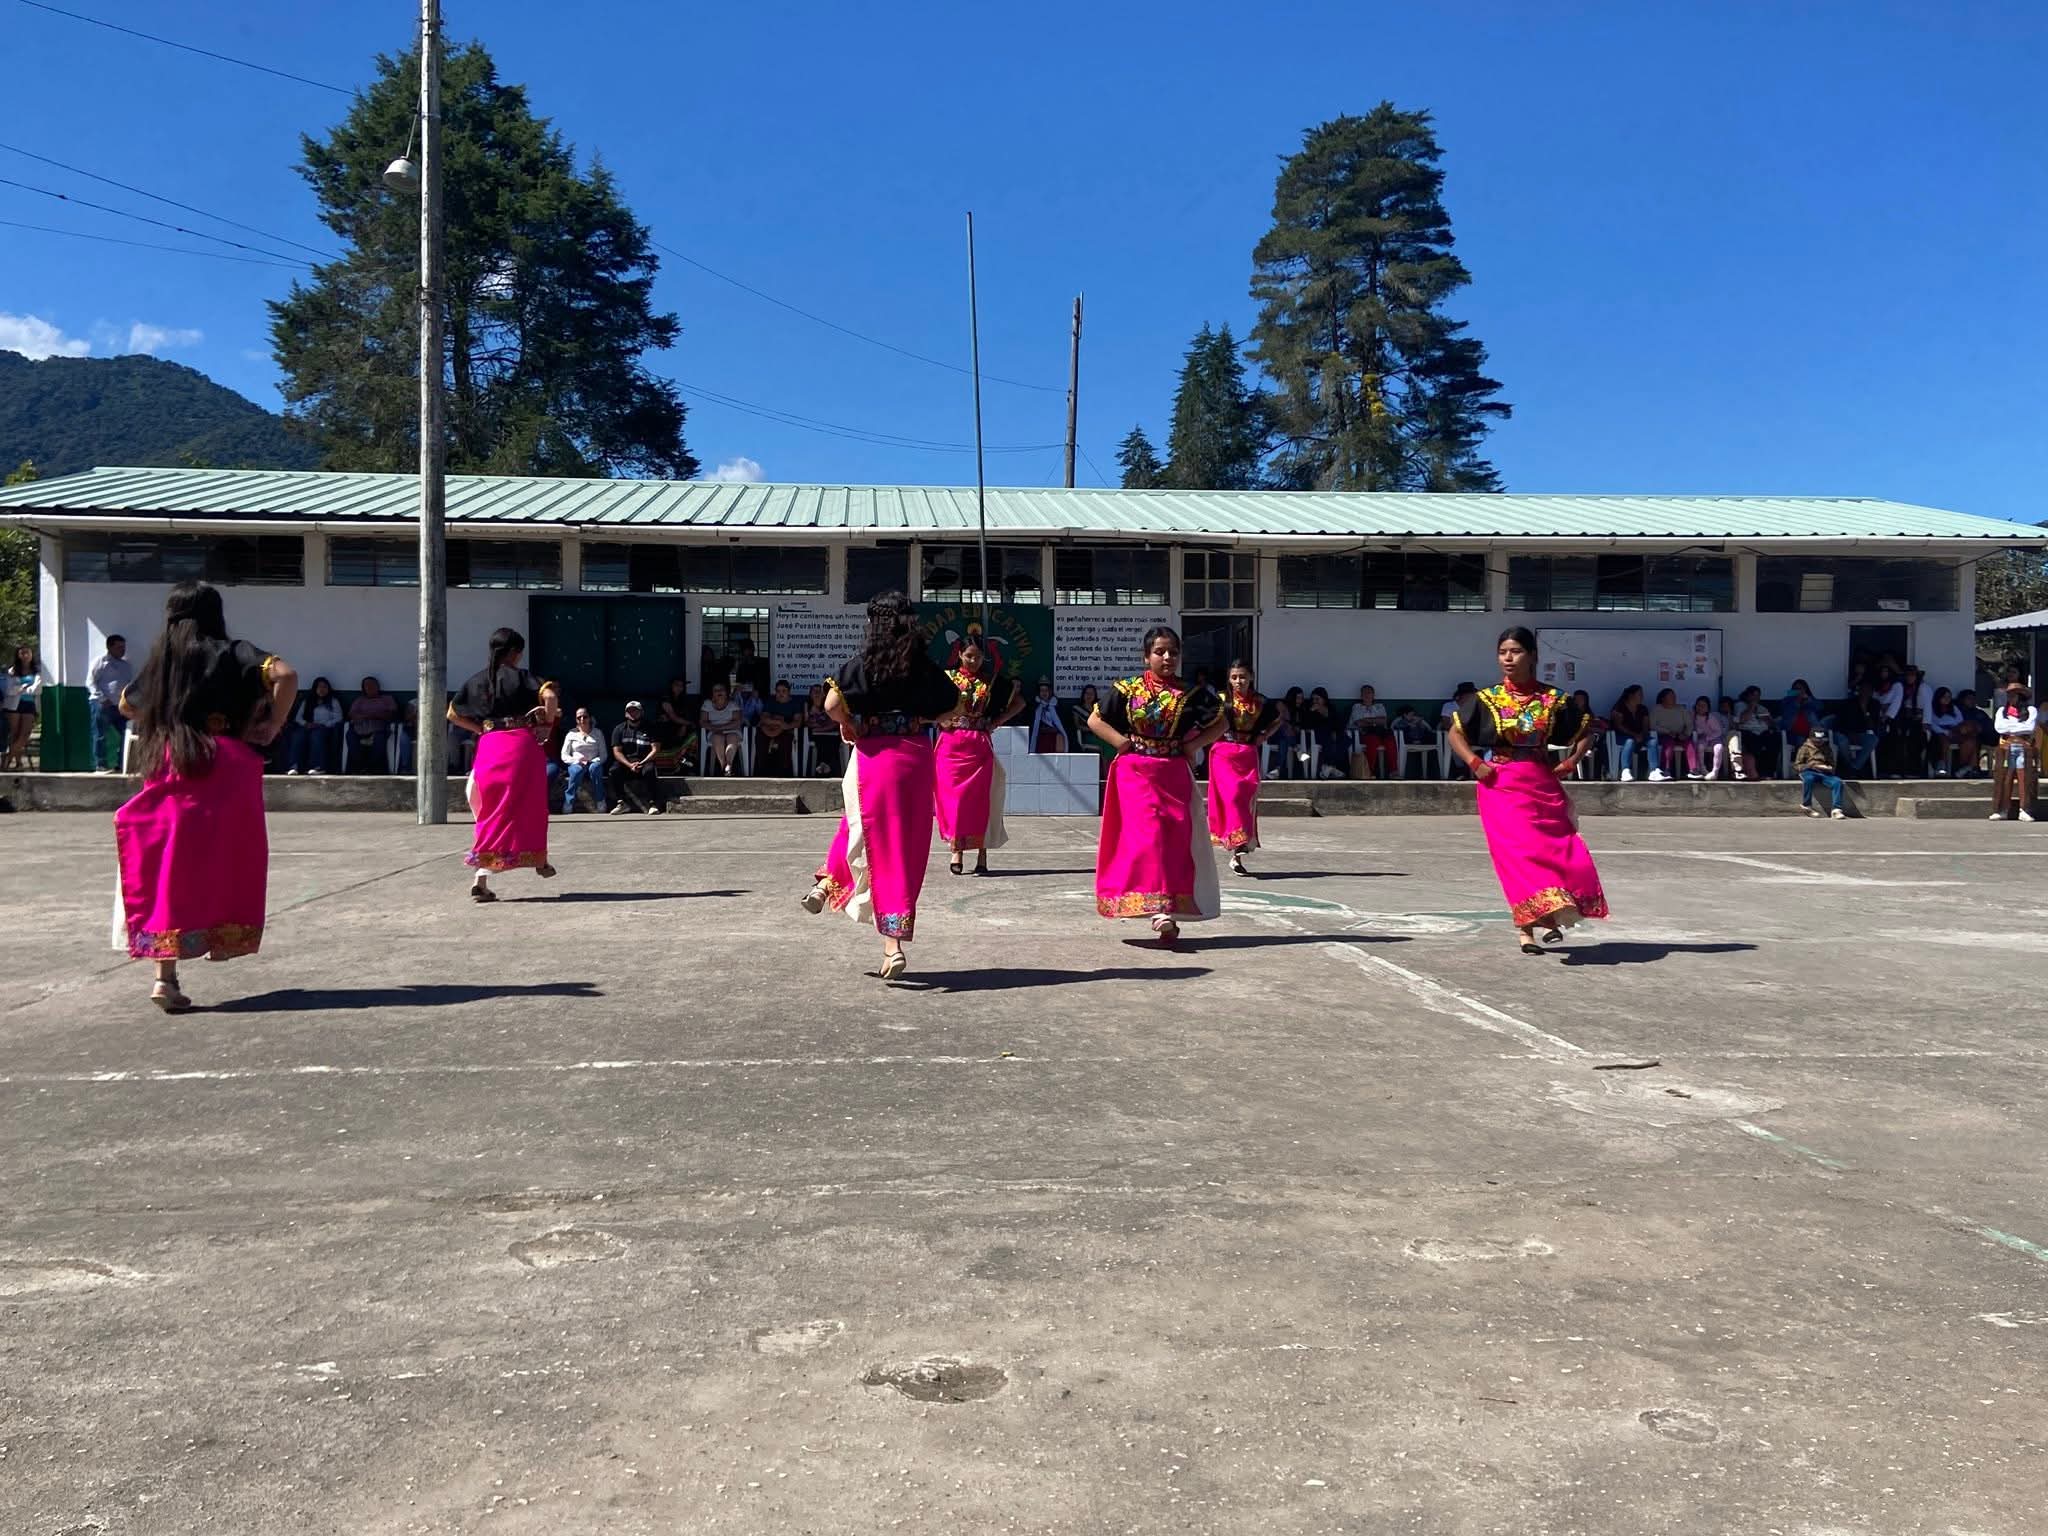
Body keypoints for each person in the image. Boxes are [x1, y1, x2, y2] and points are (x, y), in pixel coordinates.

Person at [113, 582, 296, 1011]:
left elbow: (126, 705)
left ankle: (165, 978)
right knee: (226, 859)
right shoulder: (235, 652)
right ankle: (219, 938)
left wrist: (173, 717)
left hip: (175, 759)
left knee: (167, 868)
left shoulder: (164, 661)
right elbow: (286, 675)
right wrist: (272, 724)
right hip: (229, 766)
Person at [799, 591, 962, 981]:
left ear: (875, 625)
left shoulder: (865, 664)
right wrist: (926, 718)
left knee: (861, 823)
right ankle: (892, 942)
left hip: (875, 757)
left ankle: (828, 884)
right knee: (901, 849)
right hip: (914, 759)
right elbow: (955, 705)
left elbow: (831, 704)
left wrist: (849, 724)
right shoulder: (923, 667)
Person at [1446, 627, 1608, 954]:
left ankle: (1544, 917)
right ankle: (1527, 929)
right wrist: (1475, 763)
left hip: (1541, 782)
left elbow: (1587, 731)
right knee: (1518, 855)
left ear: (1533, 656)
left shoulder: (1553, 700)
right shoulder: (1487, 699)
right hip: (1501, 784)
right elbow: (1455, 734)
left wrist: (1571, 761)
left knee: (1559, 850)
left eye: (1516, 651)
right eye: (1502, 652)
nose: (1508, 658)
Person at [1088, 624, 1227, 945]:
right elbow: (1095, 719)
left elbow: (1220, 722)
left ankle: (1168, 911)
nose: (1167, 658)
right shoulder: (1127, 689)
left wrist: (1193, 746)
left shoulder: (1191, 693)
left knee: (1173, 842)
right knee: (1148, 839)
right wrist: (1121, 743)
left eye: (1173, 652)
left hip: (1173, 773)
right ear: (1146, 656)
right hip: (1135, 774)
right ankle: (1158, 910)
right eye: (1159, 652)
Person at [447, 628, 560, 901]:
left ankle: (481, 878)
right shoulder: (521, 676)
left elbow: (452, 714)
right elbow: (550, 697)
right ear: (514, 652)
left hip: (490, 746)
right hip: (521, 746)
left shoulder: (476, 680)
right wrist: (546, 724)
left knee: (491, 810)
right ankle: (538, 860)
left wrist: (480, 729)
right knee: (529, 805)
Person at [933, 638, 1021, 875]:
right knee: (954, 801)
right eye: (969, 656)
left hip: (979, 746)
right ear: (960, 654)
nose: (973, 661)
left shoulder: (991, 681)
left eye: (978, 657)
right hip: (951, 746)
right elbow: (925, 704)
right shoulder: (946, 678)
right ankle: (956, 850)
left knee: (981, 801)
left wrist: (996, 721)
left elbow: (1018, 702)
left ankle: (982, 853)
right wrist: (940, 719)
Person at [1208, 660, 1278, 875]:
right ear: (1229, 680)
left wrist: (1264, 735)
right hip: (1223, 752)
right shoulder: (1221, 700)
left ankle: (1237, 853)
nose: (1239, 681)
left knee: (1246, 798)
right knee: (1233, 796)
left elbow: (1278, 719)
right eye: (1234, 677)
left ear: (1251, 678)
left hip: (1247, 753)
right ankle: (1237, 840)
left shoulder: (1260, 702)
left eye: (1243, 677)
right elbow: (1204, 723)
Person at [609, 700, 668, 815]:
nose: (632, 713)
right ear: (626, 714)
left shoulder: (651, 728)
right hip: (627, 764)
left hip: (645, 761)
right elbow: (617, 752)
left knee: (650, 770)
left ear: (641, 712)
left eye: (635, 711)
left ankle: (653, 804)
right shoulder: (619, 729)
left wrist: (642, 762)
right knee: (614, 770)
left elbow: (655, 749)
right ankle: (622, 803)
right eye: (630, 711)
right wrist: (629, 765)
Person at [83, 635, 131, 773]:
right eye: (119, 647)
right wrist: (102, 698)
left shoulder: (126, 666)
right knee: (100, 734)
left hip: (120, 705)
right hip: (102, 704)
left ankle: (121, 763)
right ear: (109, 647)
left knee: (126, 732)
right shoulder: (100, 662)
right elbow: (90, 682)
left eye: (124, 647)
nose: (122, 650)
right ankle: (100, 764)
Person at [1991, 684, 2038, 822]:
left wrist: (2010, 728)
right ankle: (2002, 810)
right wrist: (2019, 727)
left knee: (2025, 779)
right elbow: (1999, 728)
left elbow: (2030, 727)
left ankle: (2025, 810)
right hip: (2006, 748)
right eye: (2009, 695)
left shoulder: (2031, 710)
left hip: (2024, 748)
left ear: (2021, 697)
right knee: (2004, 779)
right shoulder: (2002, 711)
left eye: (2013, 695)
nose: (2010, 697)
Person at [286, 676, 345, 776]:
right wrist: (306, 724)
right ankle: (294, 766)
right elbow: (298, 717)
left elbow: (339, 717)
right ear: (315, 688)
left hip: (325, 728)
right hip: (308, 727)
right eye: (319, 687)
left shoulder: (333, 701)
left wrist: (324, 724)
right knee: (298, 736)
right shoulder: (308, 701)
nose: (322, 689)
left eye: (324, 687)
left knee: (316, 736)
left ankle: (318, 767)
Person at [6, 643, 50, 772]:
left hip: (29, 705)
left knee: (24, 735)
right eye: (22, 653)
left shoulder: (37, 671)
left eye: (28, 653)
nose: (25, 655)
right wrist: (23, 689)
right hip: (14, 705)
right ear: (18, 655)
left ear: (31, 655)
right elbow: (9, 690)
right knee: (15, 734)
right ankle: (18, 763)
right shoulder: (12, 671)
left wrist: (21, 689)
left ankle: (6, 760)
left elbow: (36, 690)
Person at [559, 708, 608, 813]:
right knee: (576, 771)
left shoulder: (598, 733)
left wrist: (592, 761)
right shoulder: (571, 734)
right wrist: (576, 761)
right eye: (579, 717)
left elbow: (603, 754)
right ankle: (568, 802)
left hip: (593, 762)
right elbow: (564, 754)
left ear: (590, 718)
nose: (582, 719)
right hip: (576, 763)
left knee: (596, 768)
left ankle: (600, 800)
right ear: (576, 720)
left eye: (585, 717)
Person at [347, 676, 399, 774]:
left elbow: (392, 713)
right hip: (360, 728)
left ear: (378, 686)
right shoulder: (359, 700)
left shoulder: (387, 699)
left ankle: (372, 768)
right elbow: (352, 714)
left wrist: (374, 715)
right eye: (367, 685)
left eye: (373, 685)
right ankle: (360, 766)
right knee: (350, 735)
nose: (370, 687)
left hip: (379, 727)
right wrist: (369, 715)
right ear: (363, 688)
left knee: (379, 739)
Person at [1794, 729, 1848, 819]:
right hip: (1809, 771)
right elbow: (1797, 766)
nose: (1819, 742)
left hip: (1824, 773)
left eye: (1821, 740)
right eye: (1816, 740)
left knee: (1837, 782)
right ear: (1811, 739)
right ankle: (1807, 805)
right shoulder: (1804, 748)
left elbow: (1832, 764)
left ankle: (1836, 809)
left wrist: (1829, 768)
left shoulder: (1827, 749)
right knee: (1809, 779)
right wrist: (1810, 766)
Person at [1832, 683, 1881, 778]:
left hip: (1860, 734)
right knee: (1842, 741)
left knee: (1873, 739)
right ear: (1859, 691)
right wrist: (1849, 734)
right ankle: (1850, 766)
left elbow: (1871, 726)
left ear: (1871, 693)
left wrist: (1864, 710)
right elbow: (1839, 723)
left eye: (1868, 691)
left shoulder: (1875, 704)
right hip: (1844, 733)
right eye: (1863, 690)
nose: (1865, 693)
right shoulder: (1849, 703)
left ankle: (1854, 767)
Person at [758, 679, 805, 778]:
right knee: (760, 738)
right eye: (778, 691)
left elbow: (798, 721)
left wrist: (786, 726)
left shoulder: (795, 704)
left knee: (786, 740)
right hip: (770, 728)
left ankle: (783, 771)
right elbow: (764, 717)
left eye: (784, 691)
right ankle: (762, 770)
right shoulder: (771, 702)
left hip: (786, 730)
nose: (781, 694)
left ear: (789, 691)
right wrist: (778, 722)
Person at [1733, 687, 1780, 780]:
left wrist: (1768, 720)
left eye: (1758, 696)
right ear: (1747, 696)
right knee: (1754, 743)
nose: (1755, 698)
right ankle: (1757, 771)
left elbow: (1772, 724)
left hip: (1763, 731)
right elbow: (1741, 720)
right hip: (1748, 731)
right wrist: (1751, 707)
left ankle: (1769, 772)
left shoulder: (1762, 708)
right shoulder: (1739, 705)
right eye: (1753, 695)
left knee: (1774, 740)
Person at [1348, 684, 1394, 780]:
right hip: (1363, 734)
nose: (1367, 695)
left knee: (1390, 740)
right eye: (1364, 693)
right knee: (1373, 740)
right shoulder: (1357, 707)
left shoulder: (1379, 706)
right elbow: (1359, 723)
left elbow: (1383, 721)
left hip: (1380, 732)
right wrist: (1375, 721)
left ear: (1373, 695)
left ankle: (1394, 772)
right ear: (1361, 696)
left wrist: (1367, 720)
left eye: (1369, 693)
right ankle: (1369, 772)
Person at [1608, 685, 1653, 782]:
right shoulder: (1619, 708)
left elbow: (1646, 725)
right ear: (1631, 696)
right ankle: (1625, 770)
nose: (1642, 697)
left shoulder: (1643, 709)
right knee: (1629, 741)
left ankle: (1654, 770)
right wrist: (1634, 735)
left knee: (1652, 741)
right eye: (1639, 694)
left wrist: (1642, 735)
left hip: (1639, 735)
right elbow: (1619, 726)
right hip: (1621, 736)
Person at [700, 683, 744, 776]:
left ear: (726, 692)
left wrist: (721, 728)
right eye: (716, 690)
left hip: (732, 730)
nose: (719, 692)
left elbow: (737, 722)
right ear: (712, 693)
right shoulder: (707, 704)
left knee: (732, 737)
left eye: (721, 690)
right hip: (714, 731)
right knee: (717, 738)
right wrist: (714, 728)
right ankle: (724, 766)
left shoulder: (733, 704)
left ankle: (729, 764)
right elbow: (703, 722)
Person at [1648, 688, 1688, 782]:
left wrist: (1686, 733)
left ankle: (1693, 770)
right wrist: (1668, 732)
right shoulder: (1656, 709)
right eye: (1671, 696)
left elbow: (1689, 724)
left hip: (1680, 735)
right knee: (1668, 744)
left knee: (1690, 743)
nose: (1674, 698)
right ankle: (1666, 770)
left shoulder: (1681, 709)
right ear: (1663, 698)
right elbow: (1652, 726)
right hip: (1664, 735)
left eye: (1674, 696)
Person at [1954, 689, 1995, 777]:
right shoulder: (1958, 712)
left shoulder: (1979, 713)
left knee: (1975, 739)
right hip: (1962, 737)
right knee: (1971, 740)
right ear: (1962, 700)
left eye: (1973, 699)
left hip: (1982, 737)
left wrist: (1980, 728)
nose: (1972, 701)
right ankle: (1970, 767)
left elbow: (1989, 726)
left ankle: (1971, 768)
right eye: (1969, 698)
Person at [804, 684, 842, 776]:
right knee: (821, 740)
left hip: (831, 733)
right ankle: (825, 765)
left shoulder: (829, 704)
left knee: (831, 740)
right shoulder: (807, 705)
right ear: (810, 694)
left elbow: (835, 722)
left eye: (819, 691)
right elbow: (806, 722)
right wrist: (820, 727)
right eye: (814, 691)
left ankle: (824, 765)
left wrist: (821, 728)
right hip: (815, 734)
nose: (817, 694)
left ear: (824, 694)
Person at [1687, 696, 1728, 780]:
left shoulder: (1711, 718)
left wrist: (1708, 737)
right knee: (1700, 747)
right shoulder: (1692, 716)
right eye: (1698, 705)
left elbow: (1718, 731)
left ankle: (1715, 771)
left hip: (1714, 737)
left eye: (1703, 706)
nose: (1700, 708)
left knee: (1718, 748)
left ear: (1708, 708)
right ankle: (1702, 767)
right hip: (1702, 738)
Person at [1780, 680, 1823, 760]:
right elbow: (1784, 708)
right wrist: (1797, 700)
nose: (1799, 691)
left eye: (1801, 689)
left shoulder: (1810, 700)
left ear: (1805, 690)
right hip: (1794, 733)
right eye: (1796, 689)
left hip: (1811, 732)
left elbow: (1820, 707)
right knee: (1801, 740)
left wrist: (1808, 699)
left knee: (1813, 717)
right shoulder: (1788, 700)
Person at [1926, 688, 1963, 777]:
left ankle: (1964, 767)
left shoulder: (1953, 708)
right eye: (1944, 697)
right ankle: (1941, 764)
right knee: (1943, 740)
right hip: (1939, 731)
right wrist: (1945, 732)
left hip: (1954, 730)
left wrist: (1953, 729)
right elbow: (1932, 723)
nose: (1947, 699)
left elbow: (1960, 720)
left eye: (1949, 697)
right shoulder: (1932, 708)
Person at [1028, 679, 1069, 755]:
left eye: (1046, 690)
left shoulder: (1057, 706)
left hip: (1055, 736)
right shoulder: (1033, 706)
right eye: (1042, 690)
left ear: (1050, 691)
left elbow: (1063, 725)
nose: (1044, 693)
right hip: (1040, 736)